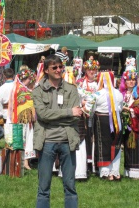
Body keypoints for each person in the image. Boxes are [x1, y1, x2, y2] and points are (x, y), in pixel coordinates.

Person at [32, 55, 82, 208]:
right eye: (54, 67)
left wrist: (51, 117)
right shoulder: (38, 91)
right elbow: (43, 115)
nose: (59, 70)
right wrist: (68, 112)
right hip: (47, 141)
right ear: (46, 70)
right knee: (43, 188)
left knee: (70, 187)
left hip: (67, 141)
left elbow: (76, 116)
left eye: (60, 67)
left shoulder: (71, 89)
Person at [86, 71, 123, 180]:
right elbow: (120, 108)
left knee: (103, 144)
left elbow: (90, 109)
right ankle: (115, 171)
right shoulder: (118, 93)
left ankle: (105, 172)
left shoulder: (97, 94)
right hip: (116, 120)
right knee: (115, 144)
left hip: (101, 120)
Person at [120, 57, 139, 180]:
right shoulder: (122, 94)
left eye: (133, 80)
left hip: (138, 126)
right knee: (128, 148)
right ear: (125, 81)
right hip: (127, 127)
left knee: (137, 148)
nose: (131, 82)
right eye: (129, 80)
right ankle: (128, 172)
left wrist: (129, 110)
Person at [76, 57, 100, 179]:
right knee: (85, 136)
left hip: (94, 114)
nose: (92, 72)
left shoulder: (98, 83)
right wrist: (83, 103)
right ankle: (85, 162)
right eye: (90, 69)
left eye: (94, 69)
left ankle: (93, 163)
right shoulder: (81, 82)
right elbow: (77, 96)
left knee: (93, 137)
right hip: (83, 114)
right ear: (85, 70)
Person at [9, 68, 37, 170]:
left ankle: (25, 161)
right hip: (22, 116)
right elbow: (15, 101)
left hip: (28, 116)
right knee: (24, 137)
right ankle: (21, 161)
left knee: (28, 137)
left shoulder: (25, 87)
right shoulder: (19, 88)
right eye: (30, 78)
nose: (31, 80)